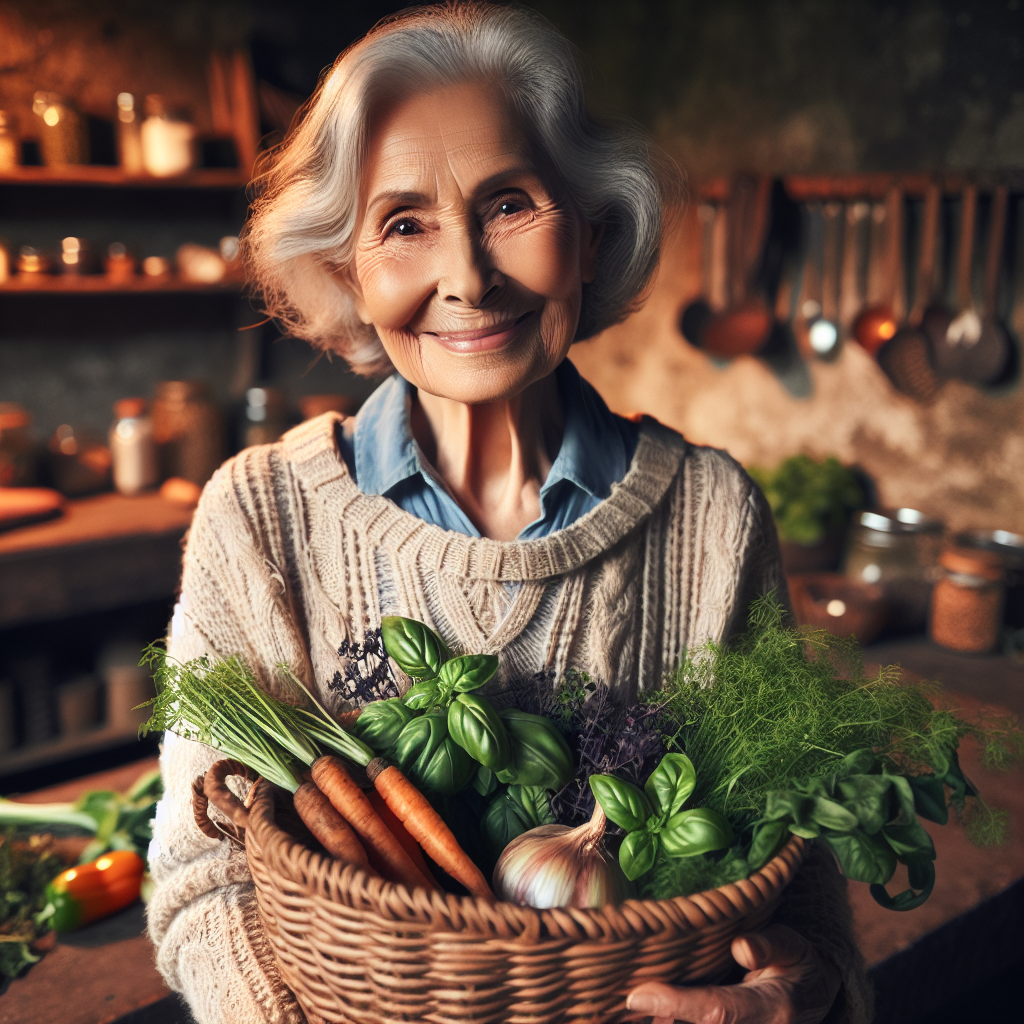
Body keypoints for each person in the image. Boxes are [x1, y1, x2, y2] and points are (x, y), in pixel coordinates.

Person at [147, 4, 870, 1023]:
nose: (468, 278)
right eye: (403, 224)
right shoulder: (259, 516)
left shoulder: (710, 515)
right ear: (347, 268)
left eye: (509, 206)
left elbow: (794, 874)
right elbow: (201, 881)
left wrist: (803, 984)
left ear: (589, 230)